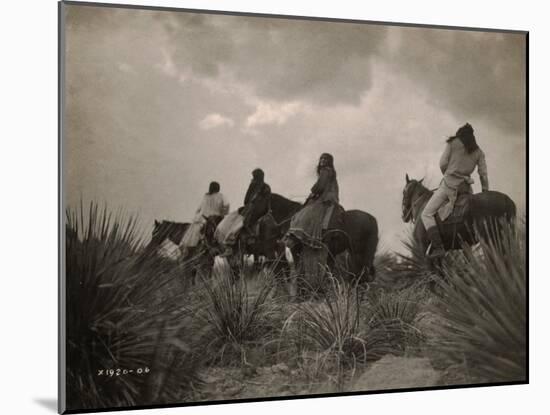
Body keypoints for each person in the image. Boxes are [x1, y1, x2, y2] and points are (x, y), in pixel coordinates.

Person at [421, 123, 489, 258]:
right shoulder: (479, 152)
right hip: (465, 188)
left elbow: (442, 163)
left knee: (427, 214)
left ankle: (438, 247)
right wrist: (485, 192)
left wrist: (448, 174)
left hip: (448, 186)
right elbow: (483, 175)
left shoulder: (452, 143)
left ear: (460, 134)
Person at [285, 153, 340, 249]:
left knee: (308, 211)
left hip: (326, 197)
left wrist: (313, 192)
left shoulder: (325, 171)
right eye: (321, 158)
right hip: (329, 195)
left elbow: (320, 185)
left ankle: (302, 235)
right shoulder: (330, 171)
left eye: (325, 159)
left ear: (329, 162)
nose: (322, 160)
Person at [219, 168, 271, 257]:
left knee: (237, 223)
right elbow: (268, 200)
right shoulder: (267, 187)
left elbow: (246, 200)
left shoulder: (253, 185)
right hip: (265, 210)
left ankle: (230, 244)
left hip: (252, 210)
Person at [179, 181, 229, 259]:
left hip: (202, 218)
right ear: (218, 188)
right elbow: (227, 206)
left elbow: (198, 209)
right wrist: (222, 214)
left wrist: (199, 216)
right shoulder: (221, 196)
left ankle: (192, 249)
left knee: (194, 232)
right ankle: (221, 247)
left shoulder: (205, 196)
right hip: (216, 219)